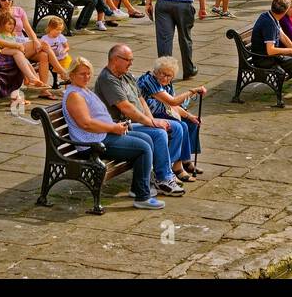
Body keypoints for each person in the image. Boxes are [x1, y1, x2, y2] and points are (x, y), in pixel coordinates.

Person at [61, 57, 166, 210]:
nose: (86, 77)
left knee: (147, 138)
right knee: (143, 148)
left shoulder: (82, 89)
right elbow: (86, 124)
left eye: (89, 73)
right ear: (71, 75)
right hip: (92, 143)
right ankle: (142, 197)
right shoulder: (74, 96)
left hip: (102, 134)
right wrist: (112, 128)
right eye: (82, 74)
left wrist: (114, 126)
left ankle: (138, 188)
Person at [95, 43, 192, 189]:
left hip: (135, 122)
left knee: (177, 127)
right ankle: (163, 177)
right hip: (120, 126)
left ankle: (165, 170)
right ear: (115, 60)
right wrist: (151, 123)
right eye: (128, 60)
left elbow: (140, 99)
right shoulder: (108, 80)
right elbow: (127, 108)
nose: (131, 63)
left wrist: (151, 119)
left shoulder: (126, 75)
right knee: (159, 133)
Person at [137, 57, 206, 176]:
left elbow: (171, 106)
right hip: (150, 116)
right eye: (163, 74)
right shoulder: (150, 80)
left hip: (162, 112)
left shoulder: (168, 83)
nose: (166, 78)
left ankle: (186, 160)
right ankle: (175, 166)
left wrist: (189, 116)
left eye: (170, 76)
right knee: (181, 126)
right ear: (156, 71)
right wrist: (192, 91)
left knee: (192, 122)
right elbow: (173, 101)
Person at [0, 0, 66, 85]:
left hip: (23, 43)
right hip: (11, 47)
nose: (7, 1)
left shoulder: (18, 10)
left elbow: (28, 29)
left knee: (43, 55)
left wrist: (36, 41)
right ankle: (62, 72)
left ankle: (43, 89)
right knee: (45, 44)